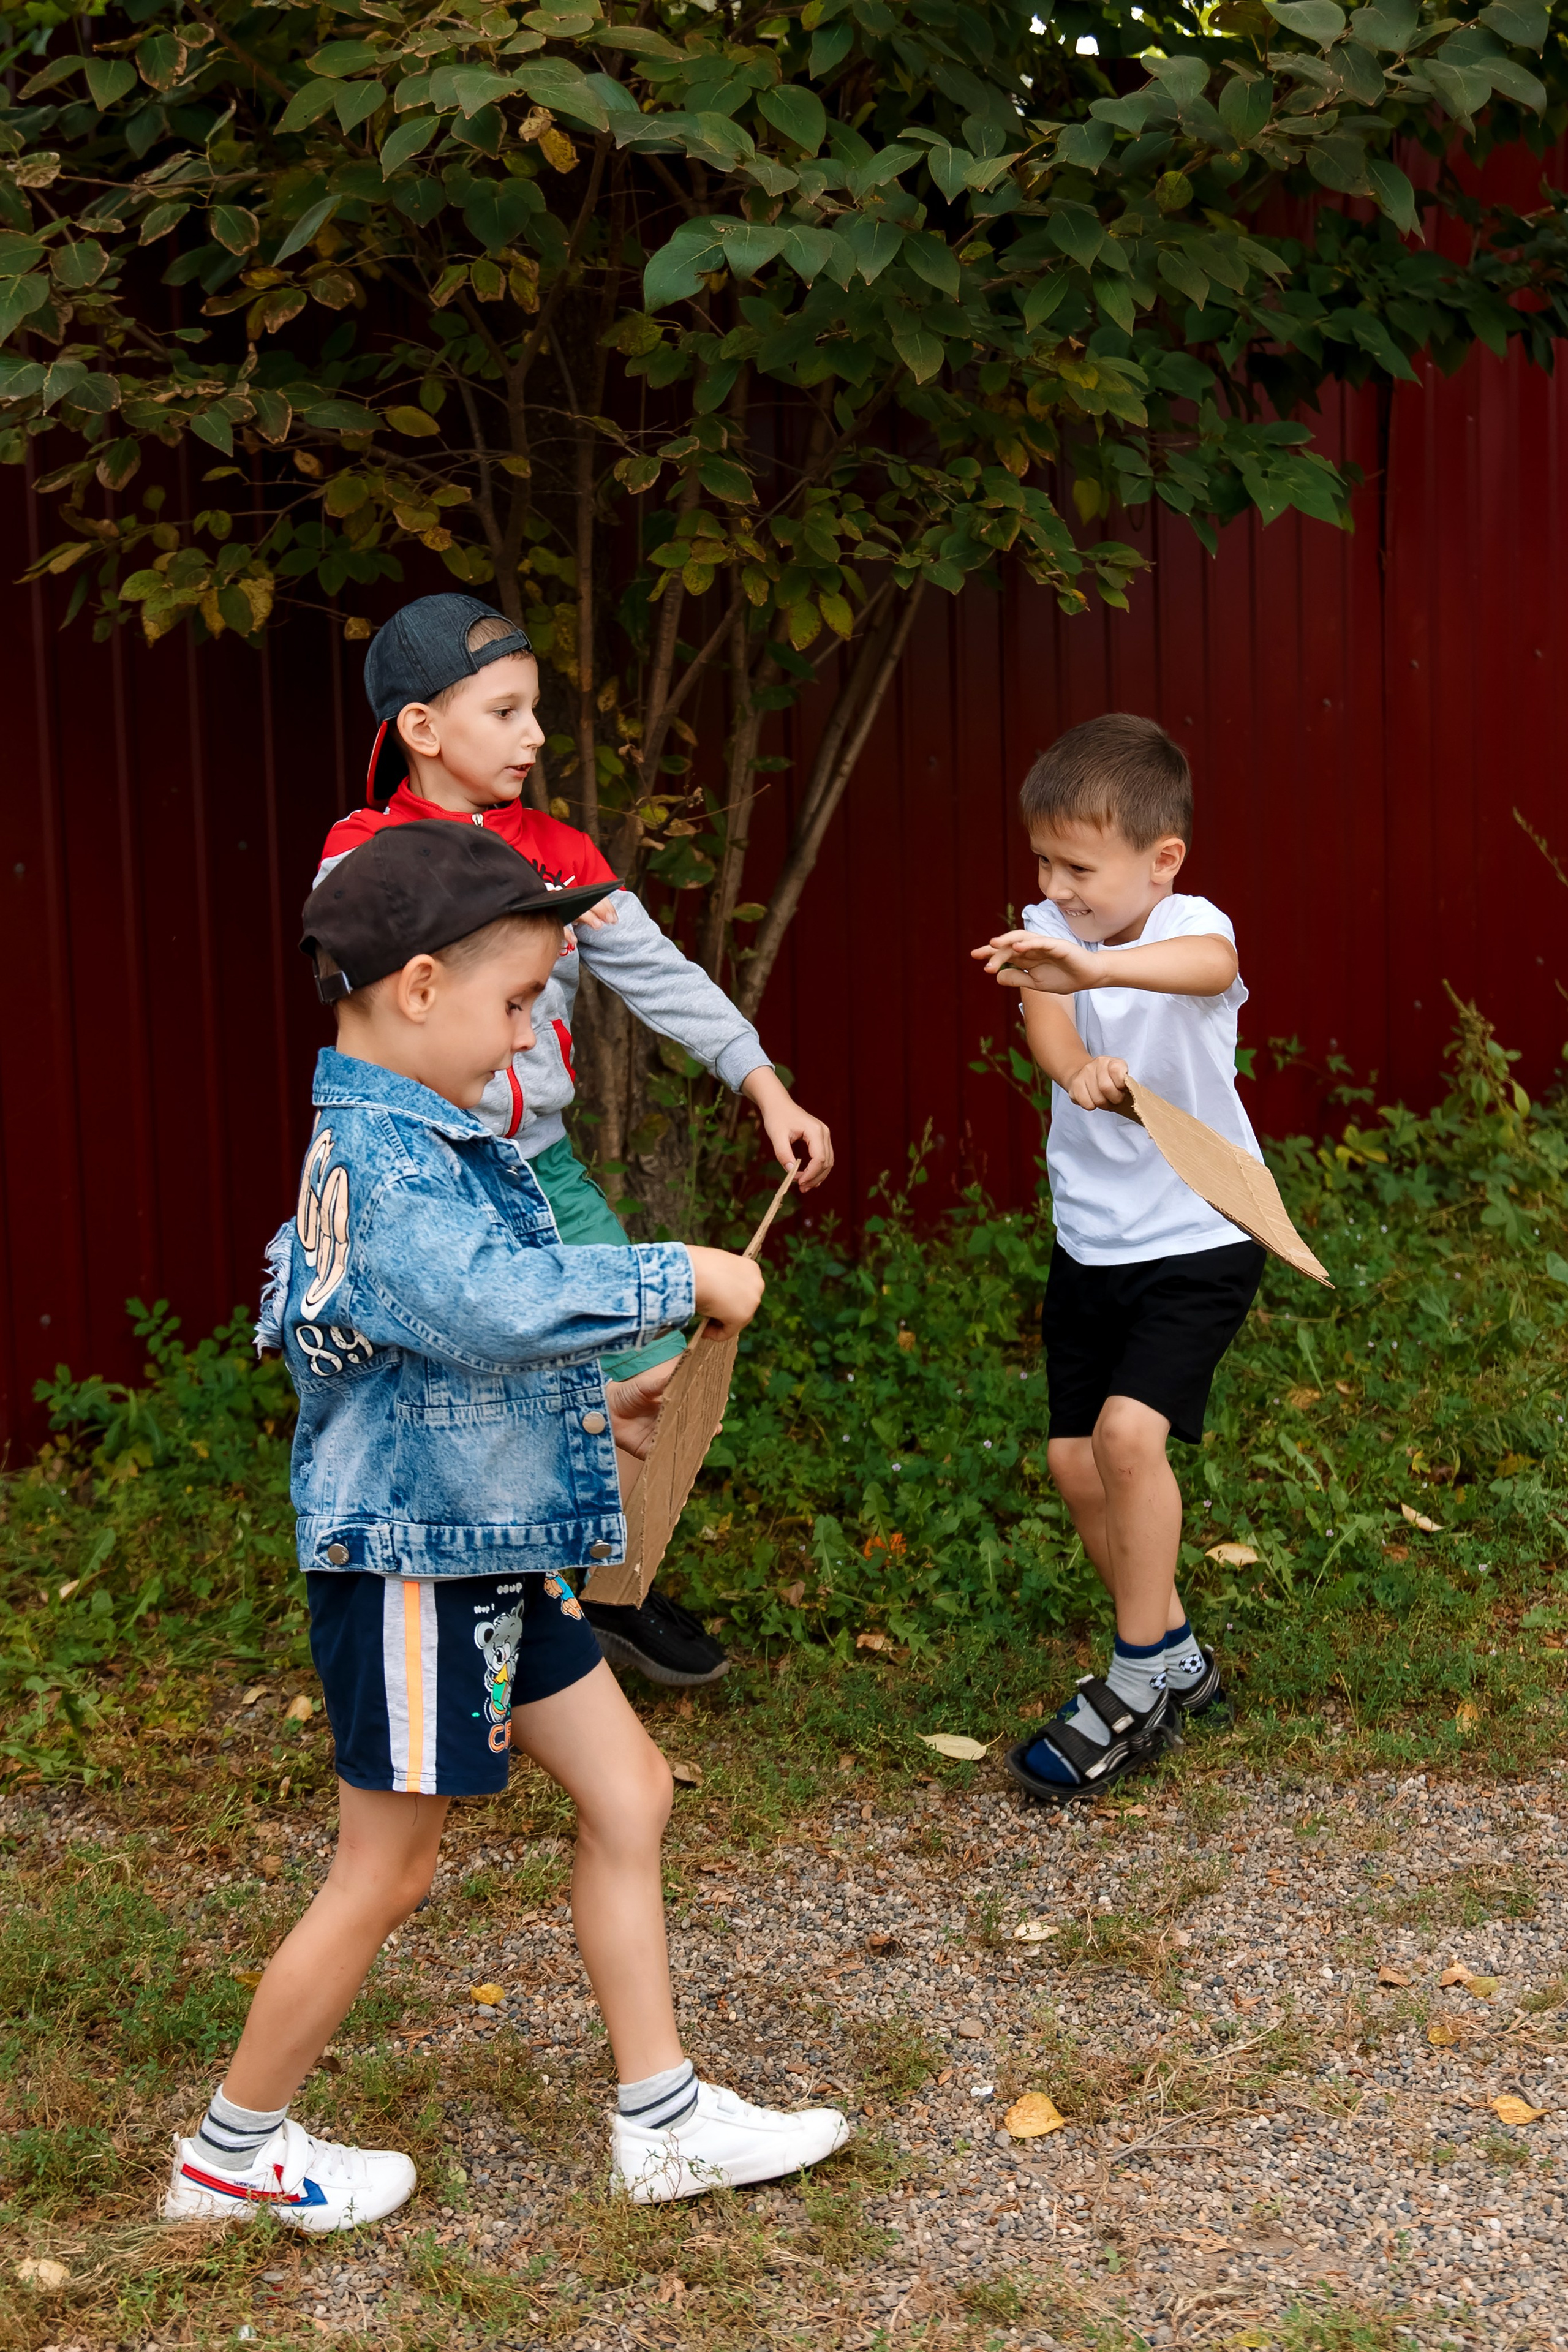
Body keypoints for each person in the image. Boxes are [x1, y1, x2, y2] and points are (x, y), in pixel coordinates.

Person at [163, 825, 847, 2230]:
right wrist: (676, 1273)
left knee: (630, 1794)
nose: (531, 1034)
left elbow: (453, 1370)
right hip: (414, 1571)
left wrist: (603, 1414)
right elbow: (477, 1304)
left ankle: (659, 2122)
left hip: (487, 1555)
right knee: (389, 1866)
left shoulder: (445, 1144)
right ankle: (233, 2155)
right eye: (520, 1004)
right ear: (418, 988)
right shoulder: (383, 1162)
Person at [312, 594, 832, 1691]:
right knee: (469, 1401)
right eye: (505, 712)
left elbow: (662, 982)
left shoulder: (561, 859)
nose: (536, 736)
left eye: (534, 709)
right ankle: (488, 1602)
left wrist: (764, 1086)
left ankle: (608, 1591)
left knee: (656, 1394)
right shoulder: (363, 864)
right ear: (422, 728)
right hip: (436, 1175)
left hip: (543, 1167)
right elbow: (359, 1019)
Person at [971, 714, 1262, 1802]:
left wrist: (1095, 960)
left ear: (1162, 859)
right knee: (1076, 1465)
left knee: (1130, 1438)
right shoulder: (1052, 931)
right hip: (1091, 1244)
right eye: (1044, 861)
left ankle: (1135, 1679)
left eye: (1078, 865)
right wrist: (1077, 1056)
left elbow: (1209, 967)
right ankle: (1180, 1658)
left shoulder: (1189, 922)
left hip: (1201, 1235)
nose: (1055, 884)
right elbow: (1048, 1026)